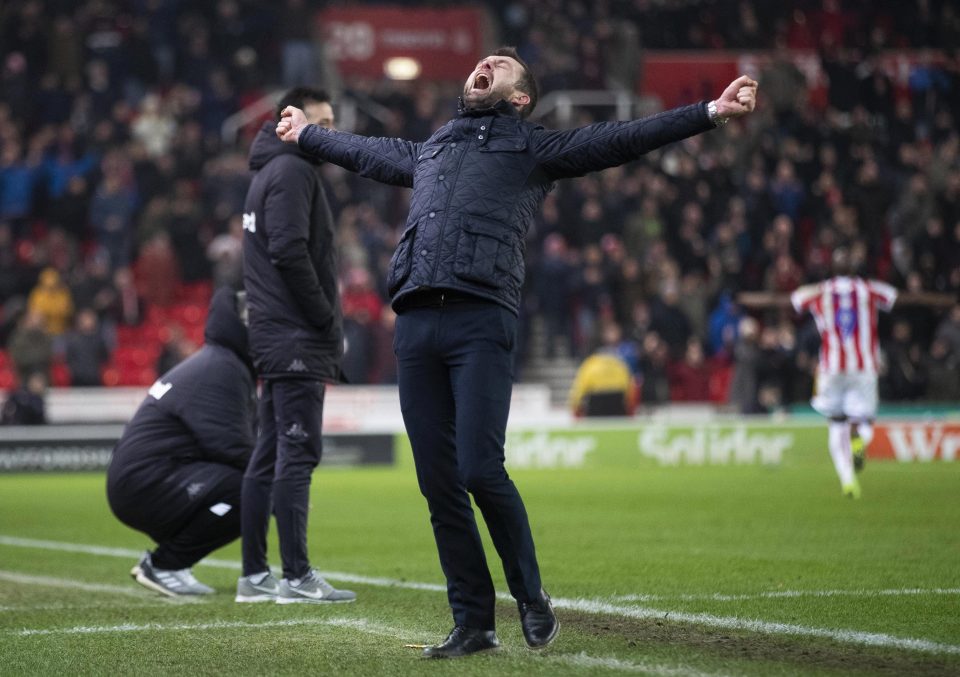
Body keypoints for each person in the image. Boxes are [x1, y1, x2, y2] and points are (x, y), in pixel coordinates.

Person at [276, 47, 757, 656]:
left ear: (520, 97)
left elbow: (621, 138)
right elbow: (367, 152)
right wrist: (309, 133)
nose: (485, 63)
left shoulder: (532, 147)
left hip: (480, 319)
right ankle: (473, 622)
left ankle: (530, 597)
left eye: (499, 63)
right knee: (438, 484)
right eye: (484, 60)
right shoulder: (434, 148)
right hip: (417, 324)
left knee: (479, 469)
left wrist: (710, 112)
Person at [238, 87, 355, 605]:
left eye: (332, 122)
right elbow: (288, 251)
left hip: (275, 331)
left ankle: (255, 576)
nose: (329, 131)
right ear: (291, 121)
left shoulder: (271, 170)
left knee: (267, 455)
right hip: (294, 336)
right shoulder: (293, 172)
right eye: (321, 121)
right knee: (297, 453)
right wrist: (325, 317)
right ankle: (295, 576)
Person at [106, 288, 256, 596]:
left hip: (144, 479)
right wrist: (279, 483)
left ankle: (175, 563)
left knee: (253, 485)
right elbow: (230, 444)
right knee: (251, 489)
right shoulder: (223, 367)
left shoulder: (216, 362)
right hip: (146, 483)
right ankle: (166, 564)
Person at [790, 249, 897, 499]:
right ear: (853, 268)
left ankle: (848, 480)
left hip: (832, 367)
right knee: (864, 419)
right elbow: (893, 297)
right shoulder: (868, 289)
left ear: (831, 269)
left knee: (836, 423)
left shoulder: (821, 291)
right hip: (864, 367)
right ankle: (860, 437)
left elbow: (796, 299)